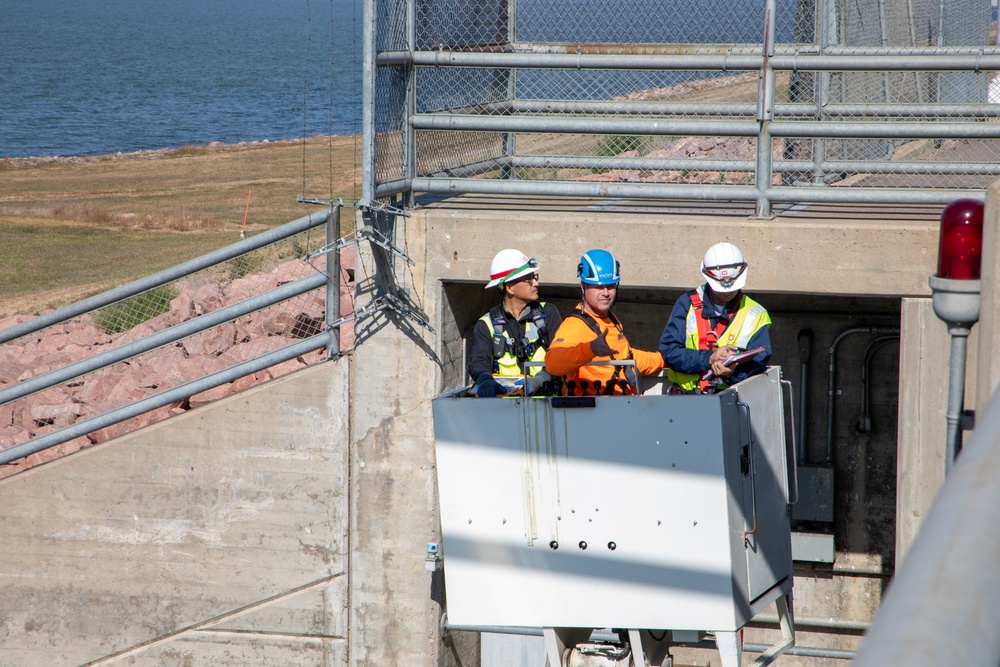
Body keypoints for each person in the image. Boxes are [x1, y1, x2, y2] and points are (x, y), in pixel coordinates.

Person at [545, 249, 664, 396]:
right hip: (592, 414)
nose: (606, 293)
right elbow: (552, 363)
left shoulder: (610, 318)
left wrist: (664, 358)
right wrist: (591, 349)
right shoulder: (575, 325)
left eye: (611, 286)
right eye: (599, 287)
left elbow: (628, 357)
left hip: (619, 409)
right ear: (583, 287)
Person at [659, 242, 771, 393]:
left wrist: (733, 373)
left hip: (730, 399)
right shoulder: (686, 304)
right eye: (720, 289)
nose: (727, 292)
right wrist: (709, 359)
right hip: (685, 399)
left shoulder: (756, 313)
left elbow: (758, 362)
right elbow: (670, 352)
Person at [468, 249, 563, 397]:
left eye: (534, 277)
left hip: (546, 402)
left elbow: (561, 355)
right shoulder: (486, 324)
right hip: (505, 408)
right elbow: (478, 361)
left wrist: (541, 378)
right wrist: (485, 379)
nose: (536, 283)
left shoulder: (548, 313)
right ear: (510, 288)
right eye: (529, 279)